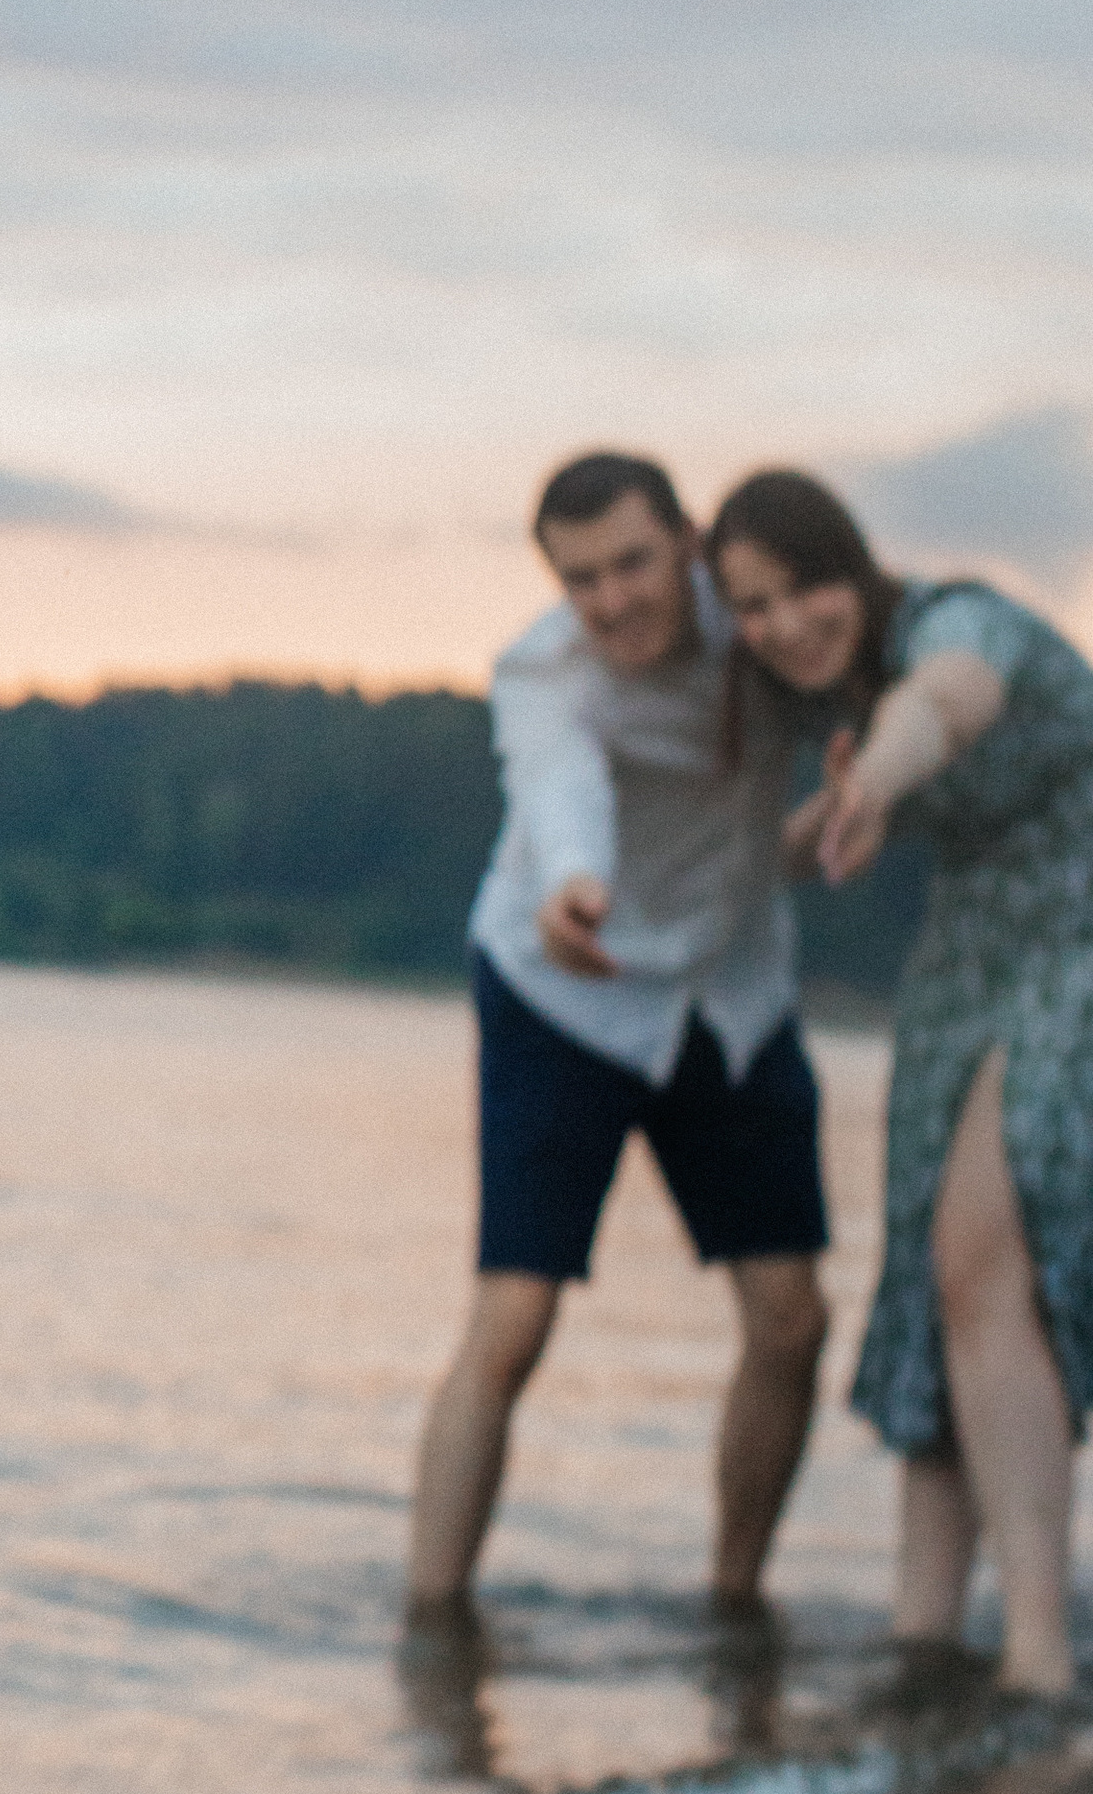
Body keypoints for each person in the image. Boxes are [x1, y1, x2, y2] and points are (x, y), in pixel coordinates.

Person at [407, 450, 829, 1619]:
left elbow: (859, 668)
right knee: (514, 1317)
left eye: (633, 563)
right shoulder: (544, 671)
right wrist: (575, 881)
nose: (612, 602)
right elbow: (555, 786)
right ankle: (429, 1618)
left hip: (729, 995)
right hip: (564, 987)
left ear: (688, 542)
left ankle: (733, 1602)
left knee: (791, 1317)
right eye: (581, 578)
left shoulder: (760, 623)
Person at [709, 468, 1093, 1700]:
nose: (784, 623)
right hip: (967, 961)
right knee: (936, 1295)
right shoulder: (832, 704)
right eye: (751, 606)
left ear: (852, 566)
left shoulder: (951, 627)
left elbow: (946, 708)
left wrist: (873, 783)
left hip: (1078, 948)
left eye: (800, 585)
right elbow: (801, 833)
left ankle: (1035, 1651)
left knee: (983, 1263)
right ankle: (923, 1645)